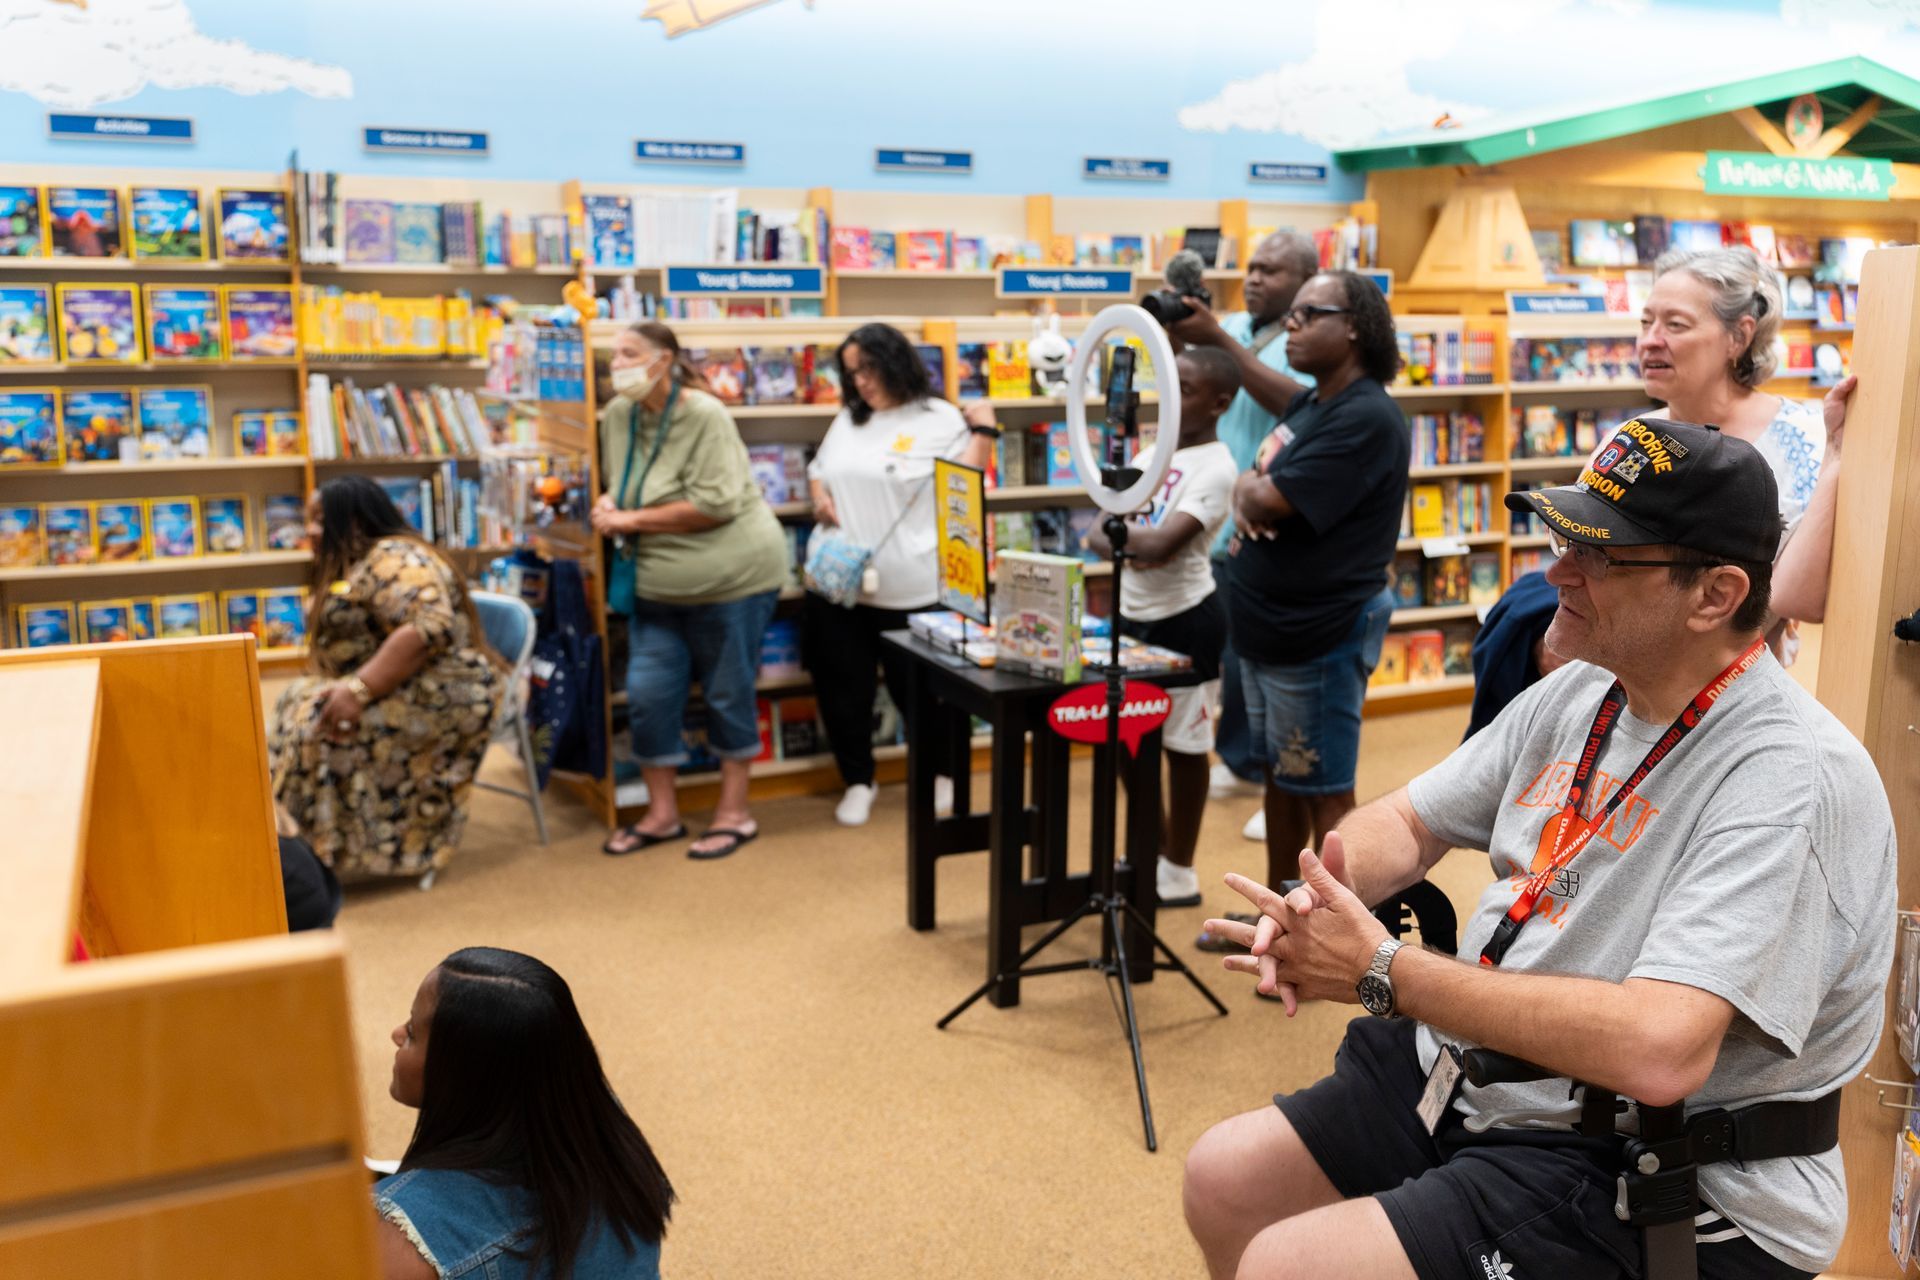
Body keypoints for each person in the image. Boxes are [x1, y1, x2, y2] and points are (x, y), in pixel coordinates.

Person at [1182, 419, 1895, 1280]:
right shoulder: (1587, 689)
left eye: (1600, 558)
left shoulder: (1791, 779)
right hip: (1496, 1076)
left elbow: (1661, 1050)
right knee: (1222, 1181)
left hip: (1665, 1165)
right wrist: (1323, 895)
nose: (1556, 572)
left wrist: (1381, 969)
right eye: (1565, 542)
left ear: (1714, 595)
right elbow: (1411, 818)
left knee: (1294, 1266)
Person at [1196, 271, 1407, 951]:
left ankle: (1334, 941)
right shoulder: (1316, 405)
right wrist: (1256, 488)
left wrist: (1252, 489)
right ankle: (1277, 919)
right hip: (1269, 633)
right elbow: (1258, 484)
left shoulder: (1367, 416)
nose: (1291, 325)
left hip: (1316, 638)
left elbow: (1261, 500)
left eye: (1307, 314)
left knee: (1324, 795)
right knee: (1282, 783)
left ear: (1353, 327)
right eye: (1289, 315)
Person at [591, 321, 789, 860]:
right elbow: (625, 481)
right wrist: (612, 502)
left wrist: (629, 520)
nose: (619, 364)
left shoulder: (704, 414)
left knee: (729, 692)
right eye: (614, 355)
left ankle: (734, 814)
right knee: (650, 696)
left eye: (630, 353)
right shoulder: (619, 415)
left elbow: (714, 505)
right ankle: (662, 815)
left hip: (732, 581)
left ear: (664, 360)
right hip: (656, 588)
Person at [374, 947, 674, 1279]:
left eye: (413, 1033)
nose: (397, 1034)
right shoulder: (611, 1140)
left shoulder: (402, 1236)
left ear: (464, 1076)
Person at [802, 321, 995, 827]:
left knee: (927, 698)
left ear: (897, 362)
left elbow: (967, 490)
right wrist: (820, 497)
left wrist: (986, 430)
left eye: (869, 368)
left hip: (916, 588)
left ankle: (943, 775)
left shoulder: (939, 418)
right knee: (844, 691)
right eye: (851, 373)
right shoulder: (850, 418)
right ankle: (858, 780)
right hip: (841, 588)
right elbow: (819, 467)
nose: (861, 381)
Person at [268, 476, 501, 881]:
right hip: (407, 682)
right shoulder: (358, 561)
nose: (310, 530)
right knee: (295, 701)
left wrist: (358, 690)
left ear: (354, 519)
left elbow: (428, 626)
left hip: (446, 693)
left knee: (317, 723)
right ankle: (291, 847)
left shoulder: (396, 557)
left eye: (321, 520)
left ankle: (310, 866)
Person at [1167, 231, 1320, 827]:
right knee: (1230, 656)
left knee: (1265, 667)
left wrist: (1220, 340)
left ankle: (1274, 783)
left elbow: (1298, 404)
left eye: (1272, 271)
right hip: (1213, 520)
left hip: (1269, 524)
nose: (1254, 278)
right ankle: (1240, 760)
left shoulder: (1303, 344)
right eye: (1251, 268)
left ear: (1306, 281)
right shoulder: (1231, 320)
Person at [1635, 245, 1853, 654]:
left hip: (1739, 692)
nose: (1650, 341)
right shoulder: (1630, 439)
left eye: (1675, 325)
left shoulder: (1803, 442)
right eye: (1645, 322)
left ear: (1739, 336)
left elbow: (1794, 598)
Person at [1084, 346, 1241, 907]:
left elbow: (1157, 544)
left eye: (1189, 389)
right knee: (1127, 739)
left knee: (1183, 744)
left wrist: (1121, 538)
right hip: (1131, 617)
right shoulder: (1154, 450)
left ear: (1220, 402)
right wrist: (1121, 538)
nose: (1173, 399)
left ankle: (1180, 866)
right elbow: (1102, 527)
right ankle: (1152, 845)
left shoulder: (1218, 467)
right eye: (1169, 386)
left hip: (1186, 622)